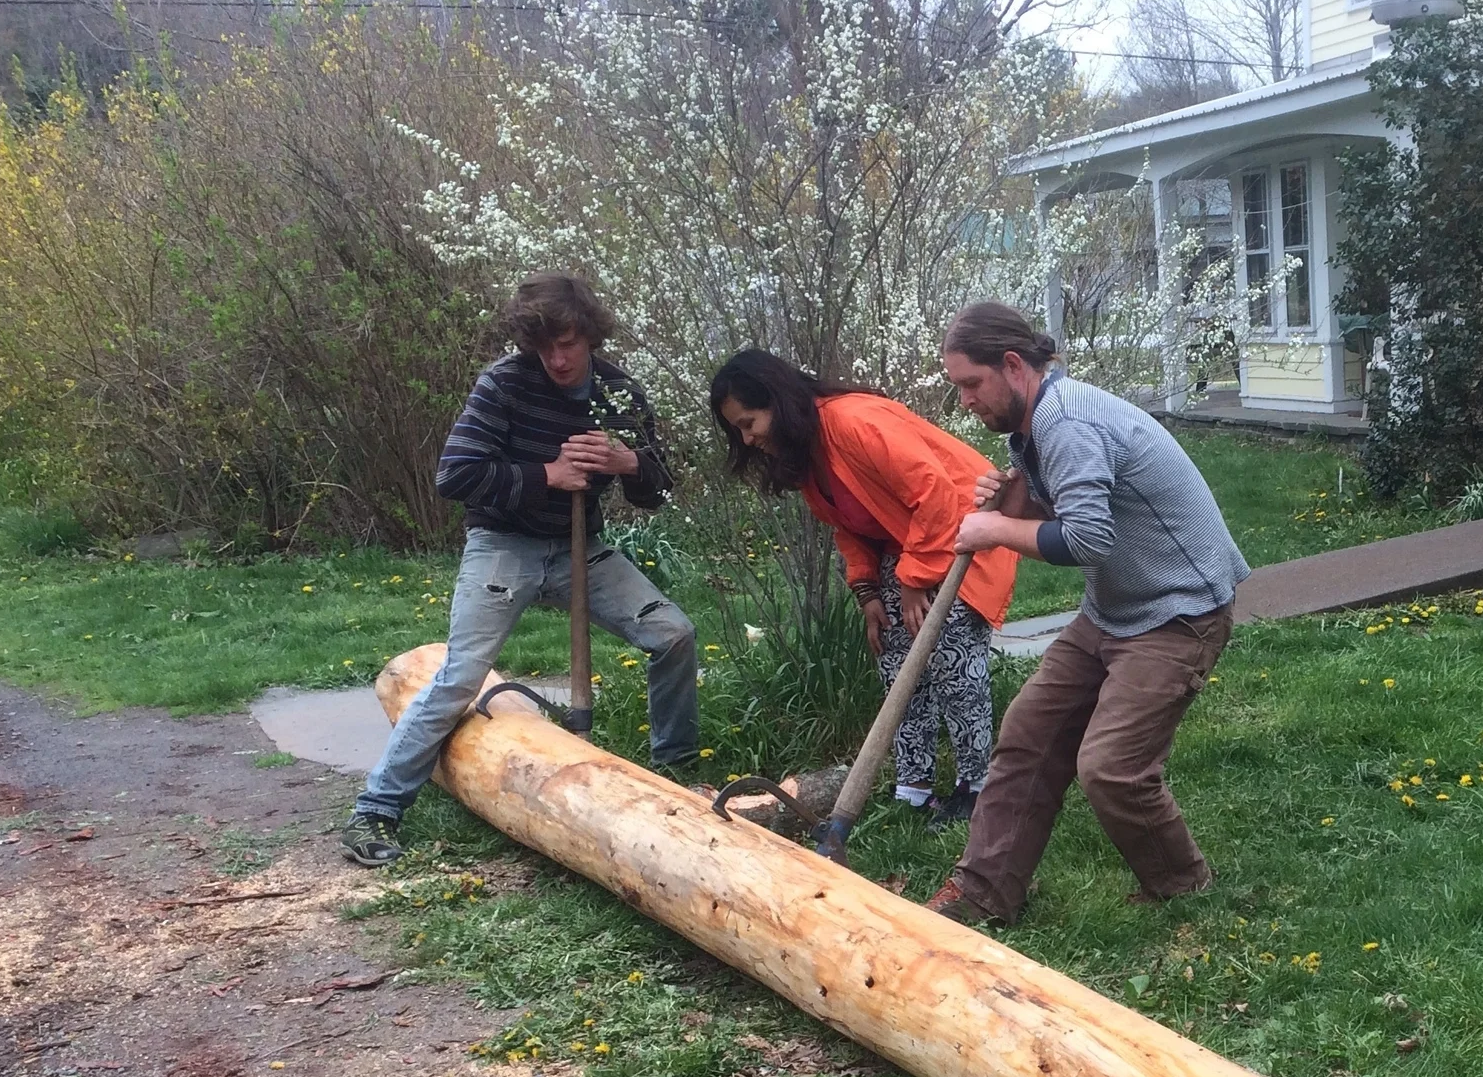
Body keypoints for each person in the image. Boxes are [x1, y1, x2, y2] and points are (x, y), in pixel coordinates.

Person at [342, 274, 695, 867]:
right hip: (503, 545)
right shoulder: (504, 384)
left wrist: (629, 461)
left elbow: (656, 491)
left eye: (568, 345)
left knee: (674, 634)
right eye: (544, 347)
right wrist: (546, 475)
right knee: (461, 676)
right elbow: (454, 476)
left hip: (581, 547)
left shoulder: (617, 392)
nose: (557, 359)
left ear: (590, 335)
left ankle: (678, 777)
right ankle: (376, 808)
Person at [922, 303, 1249, 922]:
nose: (964, 401)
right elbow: (1075, 516)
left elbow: (1088, 540)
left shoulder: (1067, 423)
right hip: (1114, 608)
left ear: (1013, 366)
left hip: (1179, 611)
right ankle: (983, 893)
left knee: (1112, 769)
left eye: (970, 383)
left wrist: (995, 527)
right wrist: (1015, 504)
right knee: (1025, 738)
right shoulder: (1035, 425)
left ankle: (1182, 886)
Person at [708, 350, 1015, 827]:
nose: (747, 440)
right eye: (739, 431)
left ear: (778, 402)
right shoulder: (810, 454)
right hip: (913, 545)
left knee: (953, 663)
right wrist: (869, 593)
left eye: (749, 423)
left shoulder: (854, 422)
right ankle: (914, 789)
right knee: (897, 660)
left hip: (965, 536)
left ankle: (978, 789)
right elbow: (849, 525)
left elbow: (934, 492)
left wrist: (914, 579)